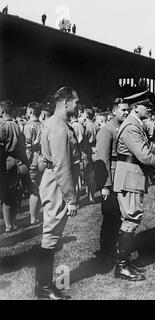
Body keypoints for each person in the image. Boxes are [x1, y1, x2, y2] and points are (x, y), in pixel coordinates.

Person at [113, 92, 155, 281]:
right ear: (135, 107)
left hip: (132, 174)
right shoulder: (131, 126)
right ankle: (121, 265)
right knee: (131, 217)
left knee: (131, 217)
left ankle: (124, 262)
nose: (149, 109)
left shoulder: (134, 124)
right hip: (130, 175)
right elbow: (144, 155)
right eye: (146, 105)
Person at [35, 87, 81, 300]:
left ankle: (43, 286)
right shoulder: (60, 128)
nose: (77, 105)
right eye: (75, 102)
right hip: (57, 184)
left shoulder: (56, 124)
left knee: (51, 235)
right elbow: (62, 166)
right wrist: (71, 199)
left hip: (53, 181)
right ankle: (43, 289)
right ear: (65, 102)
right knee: (51, 236)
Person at [95, 99, 130, 261]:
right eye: (123, 109)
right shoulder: (106, 130)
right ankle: (106, 252)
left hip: (122, 178)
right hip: (112, 180)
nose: (126, 112)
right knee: (110, 216)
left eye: (127, 110)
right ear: (114, 111)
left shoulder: (122, 128)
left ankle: (113, 248)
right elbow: (102, 160)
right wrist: (105, 185)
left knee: (118, 216)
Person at [0, 101, 27, 233]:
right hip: (17, 161)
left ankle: (8, 225)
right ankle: (14, 222)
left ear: (2, 111)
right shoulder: (18, 126)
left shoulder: (2, 126)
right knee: (15, 193)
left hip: (5, 162)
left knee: (6, 195)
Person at [24, 102, 44, 225]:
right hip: (43, 158)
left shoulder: (28, 127)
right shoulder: (44, 125)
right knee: (42, 188)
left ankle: (33, 217)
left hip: (33, 160)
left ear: (30, 112)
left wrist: (25, 162)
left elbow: (28, 147)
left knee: (33, 190)